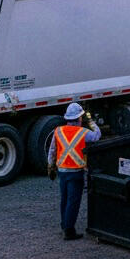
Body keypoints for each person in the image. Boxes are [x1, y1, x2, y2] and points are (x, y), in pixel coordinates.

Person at [47, 101, 101, 240]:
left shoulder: (58, 131)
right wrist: (91, 121)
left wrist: (50, 166)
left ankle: (64, 224)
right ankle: (69, 230)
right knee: (73, 201)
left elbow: (52, 150)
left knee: (64, 199)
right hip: (76, 172)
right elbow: (97, 135)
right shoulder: (83, 132)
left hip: (62, 171)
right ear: (79, 118)